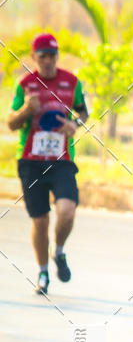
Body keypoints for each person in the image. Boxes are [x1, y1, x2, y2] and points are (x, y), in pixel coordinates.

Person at [7, 33, 89, 295]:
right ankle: (42, 273)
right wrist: (26, 111)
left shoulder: (71, 82)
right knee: (40, 222)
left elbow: (83, 112)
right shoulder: (26, 85)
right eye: (43, 56)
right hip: (30, 161)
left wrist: (73, 125)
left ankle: (60, 251)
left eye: (53, 56)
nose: (49, 61)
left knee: (67, 211)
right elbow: (10, 123)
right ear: (35, 57)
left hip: (61, 160)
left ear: (57, 56)